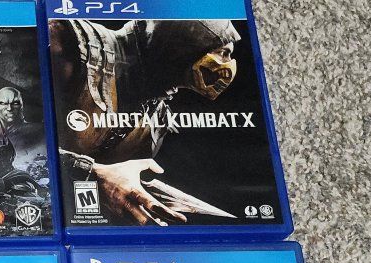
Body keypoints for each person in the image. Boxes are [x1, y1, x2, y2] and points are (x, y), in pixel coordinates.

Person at [50, 18, 240, 225]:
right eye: (223, 52)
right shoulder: (69, 44)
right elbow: (23, 145)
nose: (229, 64)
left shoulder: (157, 118)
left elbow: (113, 184)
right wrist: (88, 172)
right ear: (187, 40)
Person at [0, 87, 45, 159]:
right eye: (3, 103)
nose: (9, 108)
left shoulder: (38, 131)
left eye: (15, 103)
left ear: (21, 105)